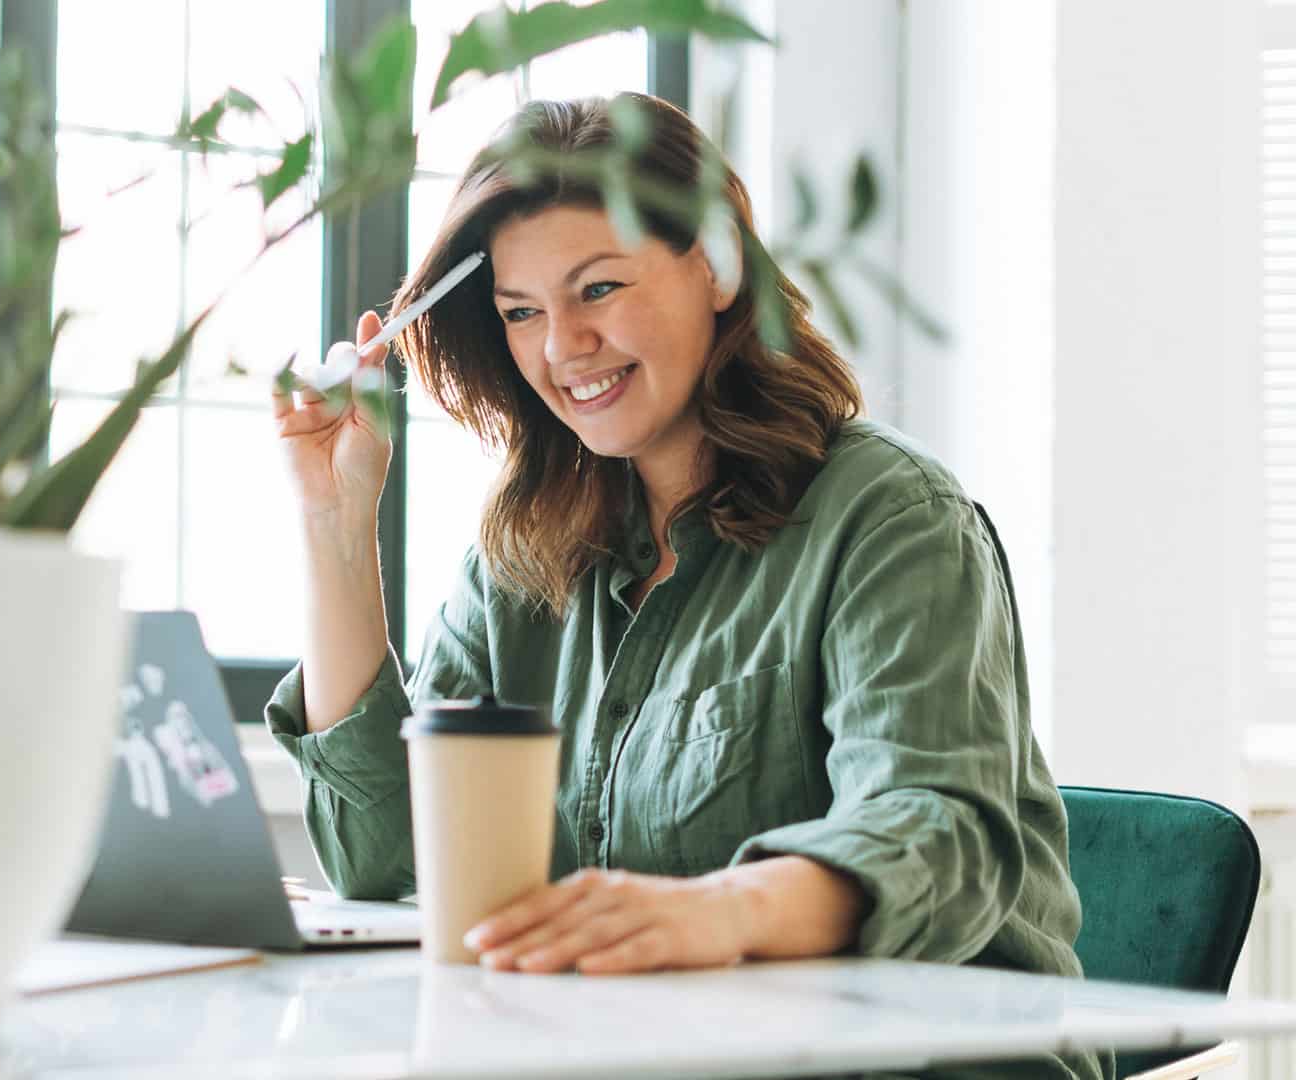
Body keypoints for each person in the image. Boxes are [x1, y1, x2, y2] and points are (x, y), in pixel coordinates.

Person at [265, 93, 1105, 1080]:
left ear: (714, 263)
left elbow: (938, 834)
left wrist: (715, 912)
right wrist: (335, 521)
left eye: (600, 289)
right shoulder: (528, 549)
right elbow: (385, 859)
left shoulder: (892, 517)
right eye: (521, 311)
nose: (561, 345)